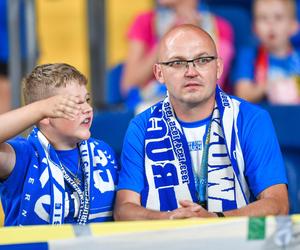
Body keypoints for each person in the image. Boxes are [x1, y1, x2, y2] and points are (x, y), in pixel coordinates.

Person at [114, 24, 289, 220]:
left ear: (219, 68)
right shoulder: (141, 127)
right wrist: (174, 219)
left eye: (203, 60)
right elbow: (124, 210)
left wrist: (216, 219)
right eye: (177, 63)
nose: (191, 71)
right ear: (159, 73)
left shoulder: (251, 119)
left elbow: (278, 204)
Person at [0, 63, 119, 226]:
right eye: (75, 103)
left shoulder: (103, 152)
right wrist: (39, 109)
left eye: (87, 100)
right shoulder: (23, 156)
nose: (87, 109)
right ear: (45, 116)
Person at [121, 0, 234, 113]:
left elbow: (213, 83)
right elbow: (129, 84)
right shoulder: (145, 21)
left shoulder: (219, 27)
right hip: (150, 106)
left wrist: (198, 37)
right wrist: (166, 42)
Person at [232, 0, 300, 104]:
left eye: (278, 17)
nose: (271, 24)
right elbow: (242, 95)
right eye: (263, 18)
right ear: (254, 28)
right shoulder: (249, 56)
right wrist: (267, 86)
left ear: (294, 26)